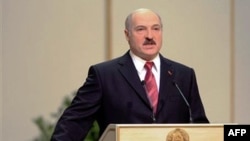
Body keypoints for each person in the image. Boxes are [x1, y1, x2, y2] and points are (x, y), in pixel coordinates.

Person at [51, 8, 209, 141]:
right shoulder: (104, 75)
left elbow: (201, 127)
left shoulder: (183, 75)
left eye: (156, 28)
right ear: (127, 35)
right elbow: (73, 125)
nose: (150, 35)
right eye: (141, 29)